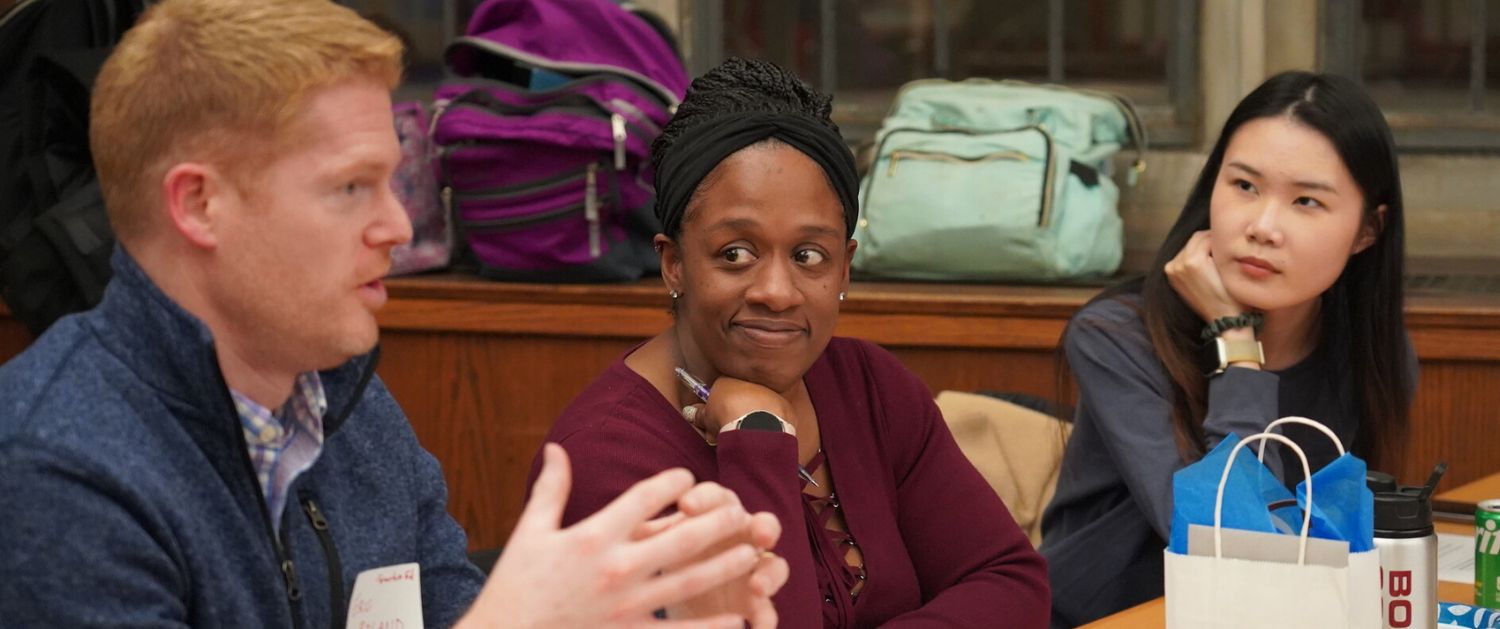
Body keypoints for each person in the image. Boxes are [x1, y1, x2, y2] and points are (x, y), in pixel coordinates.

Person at [0, 0, 789, 627]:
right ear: (200, 204)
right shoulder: (54, 468)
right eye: (351, 188)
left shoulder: (346, 404)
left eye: (393, 181)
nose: (399, 227)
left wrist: (660, 611)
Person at [529, 57, 1050, 628]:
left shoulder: (869, 388)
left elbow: (1010, 582)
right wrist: (757, 438)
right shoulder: (607, 461)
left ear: (844, 270)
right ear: (674, 263)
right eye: (736, 254)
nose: (777, 292)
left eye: (808, 256)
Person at [1039, 70, 1416, 627]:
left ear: (1367, 231)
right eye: (1244, 186)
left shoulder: (1371, 355)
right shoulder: (1116, 337)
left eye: (1306, 200)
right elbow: (1227, 547)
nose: (1263, 227)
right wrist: (1236, 341)